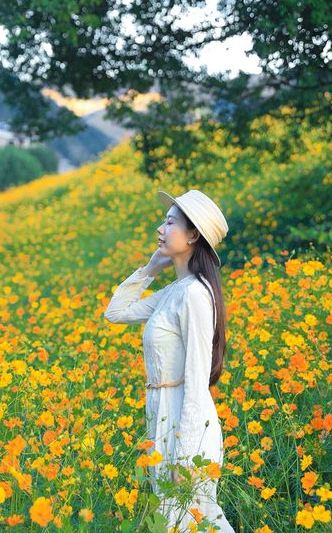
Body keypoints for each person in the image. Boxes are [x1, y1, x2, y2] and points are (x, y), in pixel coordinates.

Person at [104, 188, 236, 533]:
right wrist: (149, 268)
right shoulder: (175, 291)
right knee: (178, 523)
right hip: (163, 415)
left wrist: (185, 455)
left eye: (169, 222)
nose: (159, 230)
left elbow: (196, 381)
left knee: (194, 521)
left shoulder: (194, 294)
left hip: (185, 426)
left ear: (193, 234)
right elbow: (115, 313)